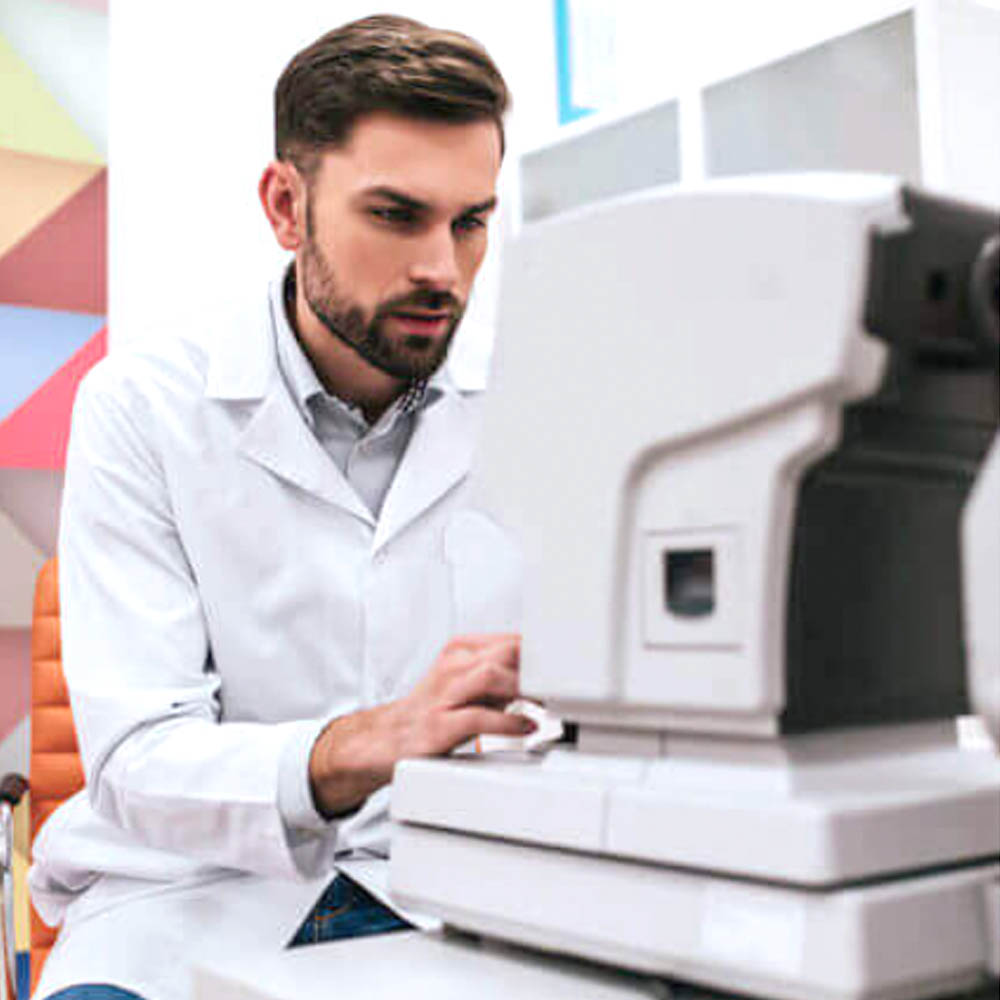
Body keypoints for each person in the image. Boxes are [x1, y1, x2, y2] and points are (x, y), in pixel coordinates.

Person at [30, 15, 528, 1000]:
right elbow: (139, 761)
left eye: (470, 222)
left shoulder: (535, 400)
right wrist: (366, 741)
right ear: (286, 206)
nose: (442, 268)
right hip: (183, 894)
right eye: (396, 215)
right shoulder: (142, 407)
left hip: (448, 889)